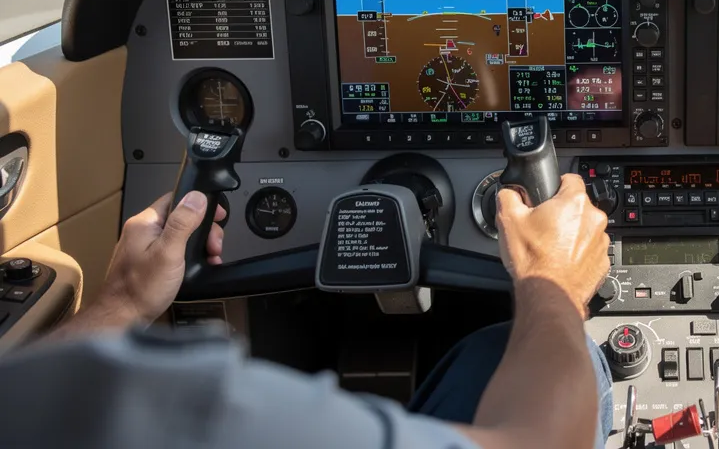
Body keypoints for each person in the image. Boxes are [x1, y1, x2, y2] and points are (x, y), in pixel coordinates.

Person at [1, 174, 615, 449]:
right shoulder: (193, 413)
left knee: (491, 351)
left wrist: (124, 303)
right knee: (577, 357)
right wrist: (552, 281)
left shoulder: (30, 406)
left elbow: (62, 392)